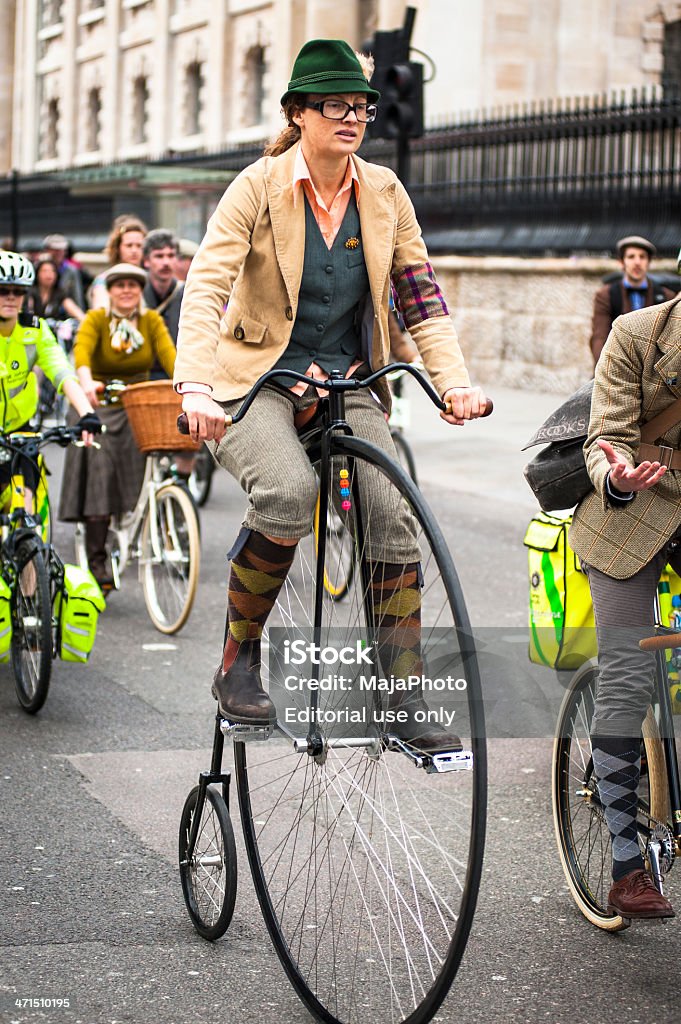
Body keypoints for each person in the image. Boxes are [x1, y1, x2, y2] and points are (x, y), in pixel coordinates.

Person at [175, 39, 487, 750]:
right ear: (299, 112)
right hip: (259, 381)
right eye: (335, 105)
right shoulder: (256, 187)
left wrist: (454, 382)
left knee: (392, 512)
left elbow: (420, 296)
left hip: (349, 380)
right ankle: (237, 661)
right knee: (286, 490)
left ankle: (400, 690)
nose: (351, 118)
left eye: (361, 107)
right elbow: (209, 285)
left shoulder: (383, 194)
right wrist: (196, 384)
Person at [569, 247, 681, 921]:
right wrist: (614, 475)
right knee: (627, 671)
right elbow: (603, 436)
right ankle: (624, 862)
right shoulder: (637, 334)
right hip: (629, 517)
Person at [58, 263, 176, 589]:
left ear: (141, 291)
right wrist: (87, 383)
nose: (126, 290)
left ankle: (140, 520)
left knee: (151, 462)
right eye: (119, 285)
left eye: (133, 285)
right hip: (98, 406)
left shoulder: (151, 321)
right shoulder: (96, 320)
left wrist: (190, 385)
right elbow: (81, 355)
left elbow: (171, 358)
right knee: (99, 468)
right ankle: (97, 559)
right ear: (109, 291)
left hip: (137, 407)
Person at [0, 251, 99, 514]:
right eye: (3, 290)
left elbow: (62, 373)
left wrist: (86, 414)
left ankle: (29, 550)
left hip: (21, 430)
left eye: (17, 291)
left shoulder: (35, 330)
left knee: (27, 512)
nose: (10, 297)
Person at [590, 235, 676, 366]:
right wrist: (604, 368)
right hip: (617, 364)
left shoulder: (666, 296)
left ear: (648, 262)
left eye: (642, 257)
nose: (637, 262)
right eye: (631, 257)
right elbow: (599, 336)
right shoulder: (606, 295)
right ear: (621, 262)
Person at [88, 215, 148, 311]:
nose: (134, 250)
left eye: (139, 245)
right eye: (129, 245)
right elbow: (100, 312)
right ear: (117, 248)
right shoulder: (104, 279)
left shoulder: (151, 279)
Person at [142, 229, 184, 353]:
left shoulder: (187, 293)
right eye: (159, 256)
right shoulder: (135, 293)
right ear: (146, 261)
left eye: (171, 256)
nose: (166, 262)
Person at [23, 255, 85, 323]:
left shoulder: (59, 293)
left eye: (52, 271)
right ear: (37, 274)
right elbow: (29, 312)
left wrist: (85, 321)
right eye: (44, 271)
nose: (49, 274)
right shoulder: (30, 292)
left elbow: (74, 310)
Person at [42, 233, 87, 310]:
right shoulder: (40, 266)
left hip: (66, 311)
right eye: (56, 250)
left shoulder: (72, 270)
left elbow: (77, 294)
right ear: (48, 250)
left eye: (62, 250)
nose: (59, 253)